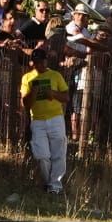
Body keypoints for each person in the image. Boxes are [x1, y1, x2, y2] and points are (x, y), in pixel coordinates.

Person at [19, 45, 70, 194]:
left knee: (59, 153)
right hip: (38, 121)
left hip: (55, 118)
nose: (39, 65)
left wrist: (52, 93)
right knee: (42, 155)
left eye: (41, 62)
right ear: (32, 63)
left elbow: (66, 97)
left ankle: (55, 186)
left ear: (46, 62)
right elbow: (25, 104)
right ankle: (48, 181)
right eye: (36, 62)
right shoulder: (27, 78)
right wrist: (33, 92)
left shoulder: (55, 76)